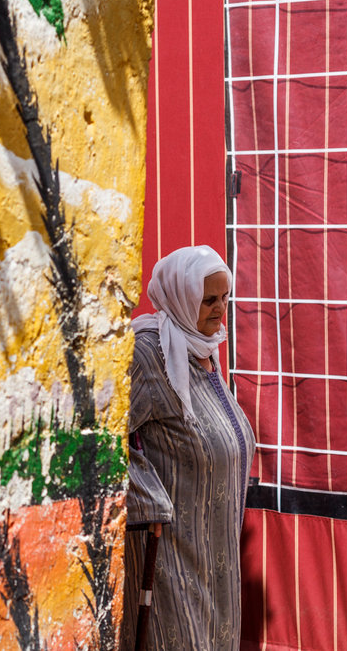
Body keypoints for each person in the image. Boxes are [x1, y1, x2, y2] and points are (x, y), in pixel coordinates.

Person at [120, 245, 256, 650]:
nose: (219, 309)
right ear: (180, 298)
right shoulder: (150, 353)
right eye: (208, 299)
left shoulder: (201, 350)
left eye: (224, 297)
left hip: (216, 551)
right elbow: (100, 435)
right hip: (170, 556)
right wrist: (148, 499)